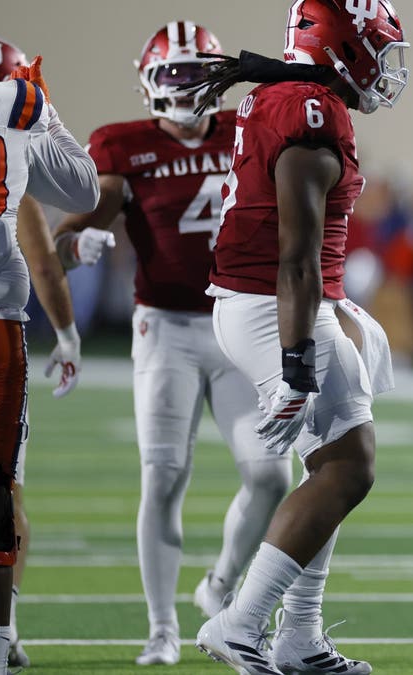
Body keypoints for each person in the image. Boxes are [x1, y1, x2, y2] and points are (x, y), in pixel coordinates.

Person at [51, 23, 295, 666]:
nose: (187, 90)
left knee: (272, 474)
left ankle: (220, 584)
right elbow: (63, 243)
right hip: (166, 329)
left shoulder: (244, 130)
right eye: (174, 75)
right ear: (149, 81)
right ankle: (161, 628)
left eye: (197, 75)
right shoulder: (120, 145)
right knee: (164, 476)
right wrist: (79, 245)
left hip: (240, 321)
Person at [185, 1, 405, 672]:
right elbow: (296, 254)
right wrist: (297, 363)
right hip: (272, 302)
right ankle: (243, 622)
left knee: (330, 467)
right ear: (343, 44)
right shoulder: (312, 111)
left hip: (271, 299)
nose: (385, 64)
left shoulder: (291, 94)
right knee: (348, 466)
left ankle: (300, 637)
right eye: (376, 46)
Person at [0, 43, 99, 674]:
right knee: (4, 492)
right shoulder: (19, 131)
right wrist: (67, 334)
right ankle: (3, 631)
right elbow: (39, 254)